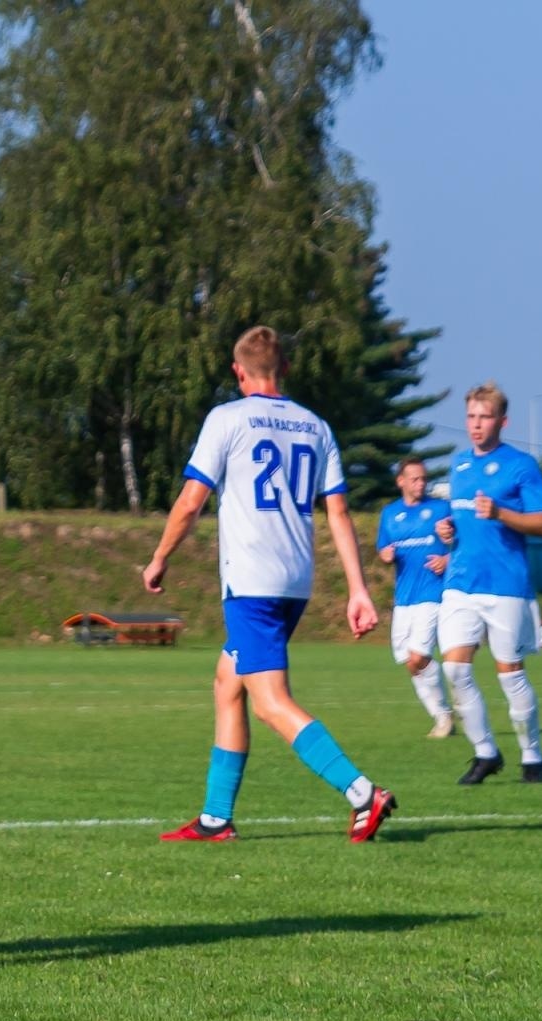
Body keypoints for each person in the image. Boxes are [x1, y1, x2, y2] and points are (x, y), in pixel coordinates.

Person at [142, 325, 396, 844]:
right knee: (227, 683)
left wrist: (159, 558)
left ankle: (362, 792)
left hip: (252, 581)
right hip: (295, 581)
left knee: (270, 700)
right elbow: (339, 513)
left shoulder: (227, 419)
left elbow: (191, 501)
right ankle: (215, 818)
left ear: (239, 371)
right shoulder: (315, 426)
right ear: (284, 369)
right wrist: (358, 589)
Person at [435, 382, 542, 785]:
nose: (476, 424)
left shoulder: (522, 465)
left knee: (509, 674)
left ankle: (533, 756)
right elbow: (463, 524)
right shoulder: (459, 466)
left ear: (502, 421)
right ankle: (485, 752)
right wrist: (449, 533)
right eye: (470, 416)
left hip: (506, 585)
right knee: (454, 669)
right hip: (461, 582)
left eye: (484, 417)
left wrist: (502, 513)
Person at [376, 458, 454, 737]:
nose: (421, 483)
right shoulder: (389, 514)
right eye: (415, 479)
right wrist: (385, 555)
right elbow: (384, 547)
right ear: (401, 481)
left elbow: (465, 543)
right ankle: (444, 712)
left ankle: (446, 713)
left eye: (423, 478)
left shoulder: (441, 509)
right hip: (403, 599)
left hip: (432, 594)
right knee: (409, 661)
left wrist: (447, 559)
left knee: (418, 656)